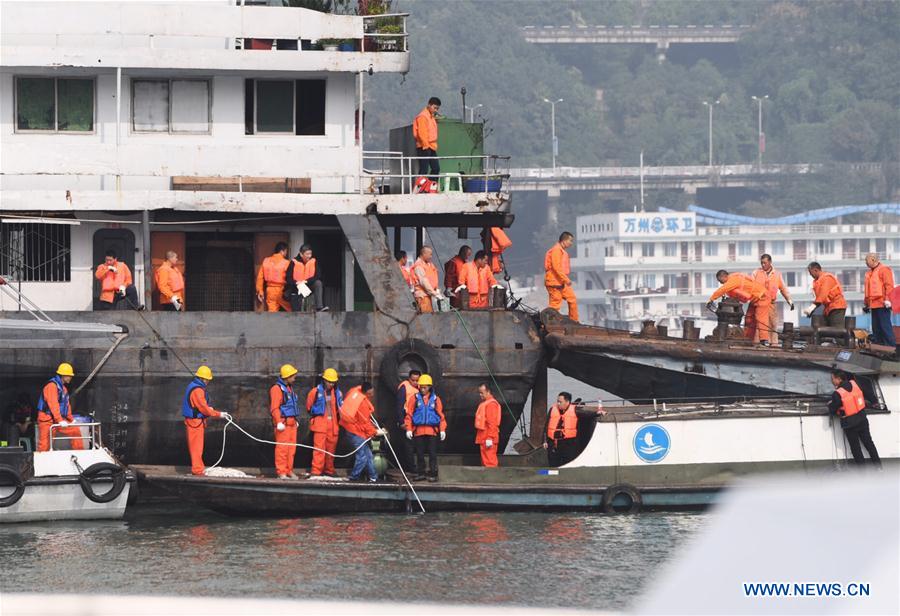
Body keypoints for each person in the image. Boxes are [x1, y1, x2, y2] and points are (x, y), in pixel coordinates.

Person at [181, 366, 230, 476]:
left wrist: (209, 409)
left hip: (195, 422)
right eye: (207, 379)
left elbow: (200, 406)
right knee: (196, 448)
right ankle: (197, 470)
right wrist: (219, 414)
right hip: (195, 423)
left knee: (197, 447)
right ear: (203, 379)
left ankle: (198, 468)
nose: (208, 382)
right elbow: (204, 409)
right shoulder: (198, 390)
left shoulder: (193, 386)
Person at [827, 370, 881, 467]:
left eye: (833, 379)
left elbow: (833, 410)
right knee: (869, 444)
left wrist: (830, 405)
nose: (832, 381)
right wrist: (874, 402)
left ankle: (862, 473)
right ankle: (879, 467)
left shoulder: (837, 393)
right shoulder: (855, 384)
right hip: (862, 419)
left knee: (856, 448)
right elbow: (867, 393)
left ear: (838, 379)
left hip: (850, 424)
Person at [340, 382, 386, 483]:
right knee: (362, 456)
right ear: (365, 393)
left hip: (352, 429)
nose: (372, 395)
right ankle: (354, 477)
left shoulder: (354, 392)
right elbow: (365, 423)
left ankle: (373, 477)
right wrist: (376, 432)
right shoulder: (362, 404)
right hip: (355, 432)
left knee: (368, 455)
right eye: (370, 393)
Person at [707, 270, 769, 344]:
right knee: (749, 319)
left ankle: (764, 340)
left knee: (761, 319)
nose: (720, 283)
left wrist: (711, 299)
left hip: (762, 296)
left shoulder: (733, 280)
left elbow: (722, 289)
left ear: (723, 276)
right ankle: (748, 339)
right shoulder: (733, 282)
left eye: (720, 280)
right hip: (755, 299)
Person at [404, 373, 446, 482]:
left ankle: (433, 473)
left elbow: (441, 416)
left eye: (425, 387)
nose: (422, 389)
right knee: (419, 454)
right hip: (418, 431)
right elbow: (409, 414)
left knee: (432, 453)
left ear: (429, 387)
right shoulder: (415, 399)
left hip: (432, 431)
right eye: (421, 387)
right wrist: (408, 429)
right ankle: (421, 473)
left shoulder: (436, 400)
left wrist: (442, 430)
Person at [36, 363, 85, 452]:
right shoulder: (51, 386)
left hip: (57, 420)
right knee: (44, 445)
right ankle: (43, 463)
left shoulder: (63, 389)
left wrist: (71, 420)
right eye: (69, 375)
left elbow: (66, 406)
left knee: (75, 431)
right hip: (46, 420)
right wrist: (60, 420)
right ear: (63, 375)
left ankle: (80, 454)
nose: (71, 377)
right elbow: (53, 404)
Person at [306, 368, 343, 479]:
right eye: (329, 381)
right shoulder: (315, 392)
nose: (331, 384)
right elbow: (309, 407)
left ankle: (329, 470)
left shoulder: (337, 393)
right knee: (319, 450)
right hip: (320, 425)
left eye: (333, 382)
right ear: (324, 380)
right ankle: (316, 471)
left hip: (333, 425)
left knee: (331, 451)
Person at [753, 254, 794, 344]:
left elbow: (783, 289)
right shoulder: (756, 273)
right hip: (759, 304)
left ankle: (774, 345)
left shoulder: (777, 275)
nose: (763, 265)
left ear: (770, 262)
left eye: (765, 263)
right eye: (761, 263)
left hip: (771, 304)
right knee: (759, 324)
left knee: (773, 325)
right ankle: (757, 344)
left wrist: (789, 301)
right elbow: (751, 287)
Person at [270, 364, 301, 480]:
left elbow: (292, 406)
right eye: (293, 376)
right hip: (283, 423)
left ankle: (289, 470)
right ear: (287, 377)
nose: (294, 378)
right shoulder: (277, 389)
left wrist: (295, 420)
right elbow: (275, 407)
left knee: (291, 449)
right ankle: (281, 472)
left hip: (292, 423)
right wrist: (278, 422)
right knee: (282, 449)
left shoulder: (289, 388)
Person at [863, 253, 896, 347]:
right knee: (876, 328)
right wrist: (866, 304)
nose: (865, 262)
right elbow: (868, 291)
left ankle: (891, 348)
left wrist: (888, 300)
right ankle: (879, 347)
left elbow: (889, 286)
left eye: (866, 260)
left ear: (873, 260)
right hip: (873, 305)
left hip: (882, 304)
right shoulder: (869, 273)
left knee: (885, 327)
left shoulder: (884, 270)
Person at [545, 232, 578, 322]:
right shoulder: (556, 250)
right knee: (555, 305)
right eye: (570, 241)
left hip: (561, 282)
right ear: (564, 240)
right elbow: (556, 267)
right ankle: (548, 323)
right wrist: (566, 279)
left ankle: (574, 321)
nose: (571, 243)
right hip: (554, 282)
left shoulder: (561, 251)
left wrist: (564, 280)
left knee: (572, 299)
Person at [285, 244, 327, 312]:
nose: (309, 256)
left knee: (318, 283)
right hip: (297, 287)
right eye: (307, 254)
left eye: (310, 253)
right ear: (301, 254)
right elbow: (288, 278)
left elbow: (318, 275)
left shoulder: (314, 261)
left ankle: (319, 307)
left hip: (309, 285)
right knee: (296, 310)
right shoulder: (293, 262)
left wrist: (306, 281)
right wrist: (296, 283)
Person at [805, 262, 847, 327]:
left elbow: (822, 295)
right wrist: (813, 309)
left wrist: (812, 307)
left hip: (837, 307)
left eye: (811, 273)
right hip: (828, 308)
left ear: (815, 270)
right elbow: (819, 298)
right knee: (825, 330)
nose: (810, 275)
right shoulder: (818, 281)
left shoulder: (827, 278)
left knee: (837, 330)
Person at [543, 392, 579, 467]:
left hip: (568, 444)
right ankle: (551, 476)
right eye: (557, 401)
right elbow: (546, 426)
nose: (558, 403)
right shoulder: (553, 409)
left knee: (567, 464)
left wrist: (597, 412)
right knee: (553, 464)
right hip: (553, 444)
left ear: (567, 402)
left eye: (560, 402)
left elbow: (586, 414)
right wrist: (544, 441)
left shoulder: (575, 410)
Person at [255, 242, 291, 312]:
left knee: (272, 313)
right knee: (291, 311)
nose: (286, 253)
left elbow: (260, 278)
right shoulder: (286, 263)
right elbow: (291, 278)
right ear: (282, 251)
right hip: (282, 290)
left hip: (270, 291)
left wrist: (260, 291)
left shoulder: (266, 261)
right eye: (286, 251)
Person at [395, 370, 421, 468]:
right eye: (412, 380)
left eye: (417, 380)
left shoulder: (420, 388)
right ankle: (410, 467)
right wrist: (401, 422)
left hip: (417, 420)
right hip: (407, 419)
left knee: (416, 445)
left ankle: (416, 466)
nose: (415, 382)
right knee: (408, 445)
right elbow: (399, 405)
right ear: (409, 378)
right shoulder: (404, 388)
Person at [474, 383, 501, 467]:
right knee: (485, 462)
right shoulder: (486, 403)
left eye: (482, 393)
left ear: (488, 391)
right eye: (480, 392)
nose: (480, 395)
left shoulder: (491, 405)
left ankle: (493, 479)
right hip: (484, 438)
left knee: (490, 463)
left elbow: (492, 423)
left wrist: (490, 438)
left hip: (488, 439)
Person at [413, 96, 441, 181]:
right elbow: (422, 133)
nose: (436, 110)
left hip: (431, 146)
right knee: (424, 169)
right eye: (435, 108)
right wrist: (425, 146)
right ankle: (421, 188)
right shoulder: (423, 116)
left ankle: (430, 186)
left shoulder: (431, 116)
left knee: (436, 168)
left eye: (437, 108)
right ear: (429, 105)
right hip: (424, 146)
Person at [412, 246, 444, 313]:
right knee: (426, 317)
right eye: (430, 254)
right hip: (422, 297)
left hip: (429, 295)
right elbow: (424, 282)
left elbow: (433, 277)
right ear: (424, 254)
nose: (431, 256)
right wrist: (434, 293)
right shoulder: (419, 266)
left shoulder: (429, 264)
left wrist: (436, 290)